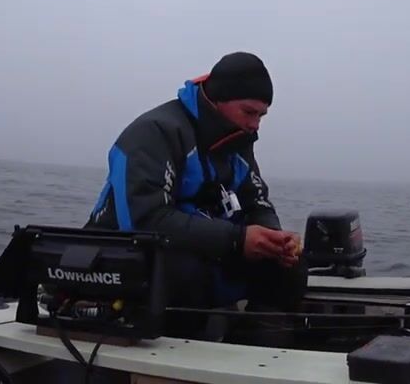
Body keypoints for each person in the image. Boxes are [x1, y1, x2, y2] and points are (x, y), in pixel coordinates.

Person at [85, 52, 306, 325]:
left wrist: (275, 239)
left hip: (202, 246)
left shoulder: (238, 142)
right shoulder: (155, 132)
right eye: (249, 112)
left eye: (261, 115)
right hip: (122, 255)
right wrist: (237, 240)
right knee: (186, 272)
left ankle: (256, 343)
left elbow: (256, 201)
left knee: (289, 268)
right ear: (217, 99)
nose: (255, 124)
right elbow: (146, 221)